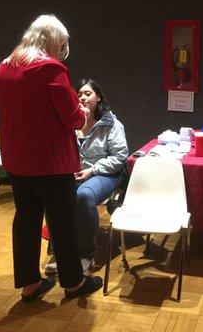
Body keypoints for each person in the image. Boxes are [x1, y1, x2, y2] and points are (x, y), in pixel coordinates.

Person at [0, 14, 102, 302]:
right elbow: (74, 119)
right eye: (62, 43)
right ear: (54, 40)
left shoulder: (5, 67)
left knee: (26, 219)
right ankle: (74, 283)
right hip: (50, 163)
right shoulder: (51, 69)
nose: (63, 50)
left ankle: (29, 284)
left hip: (17, 159)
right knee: (63, 221)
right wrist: (81, 113)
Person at [46, 78, 129, 274]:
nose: (82, 97)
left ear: (98, 97)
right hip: (73, 173)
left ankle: (86, 254)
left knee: (83, 195)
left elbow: (120, 156)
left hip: (104, 173)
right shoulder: (69, 122)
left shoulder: (112, 124)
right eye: (79, 94)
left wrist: (92, 170)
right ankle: (63, 254)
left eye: (88, 93)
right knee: (53, 196)